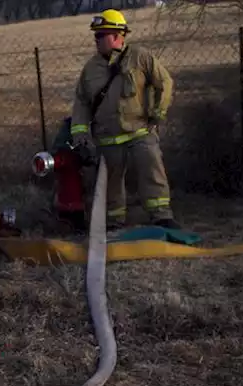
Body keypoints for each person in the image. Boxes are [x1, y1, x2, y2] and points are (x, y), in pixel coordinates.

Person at [70, 9, 177, 229]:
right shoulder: (90, 69)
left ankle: (162, 217)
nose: (96, 40)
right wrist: (79, 134)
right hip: (108, 139)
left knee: (152, 173)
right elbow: (81, 102)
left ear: (118, 35)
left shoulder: (140, 57)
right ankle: (114, 222)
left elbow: (164, 82)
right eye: (95, 36)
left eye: (101, 35)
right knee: (111, 184)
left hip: (140, 132)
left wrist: (158, 112)